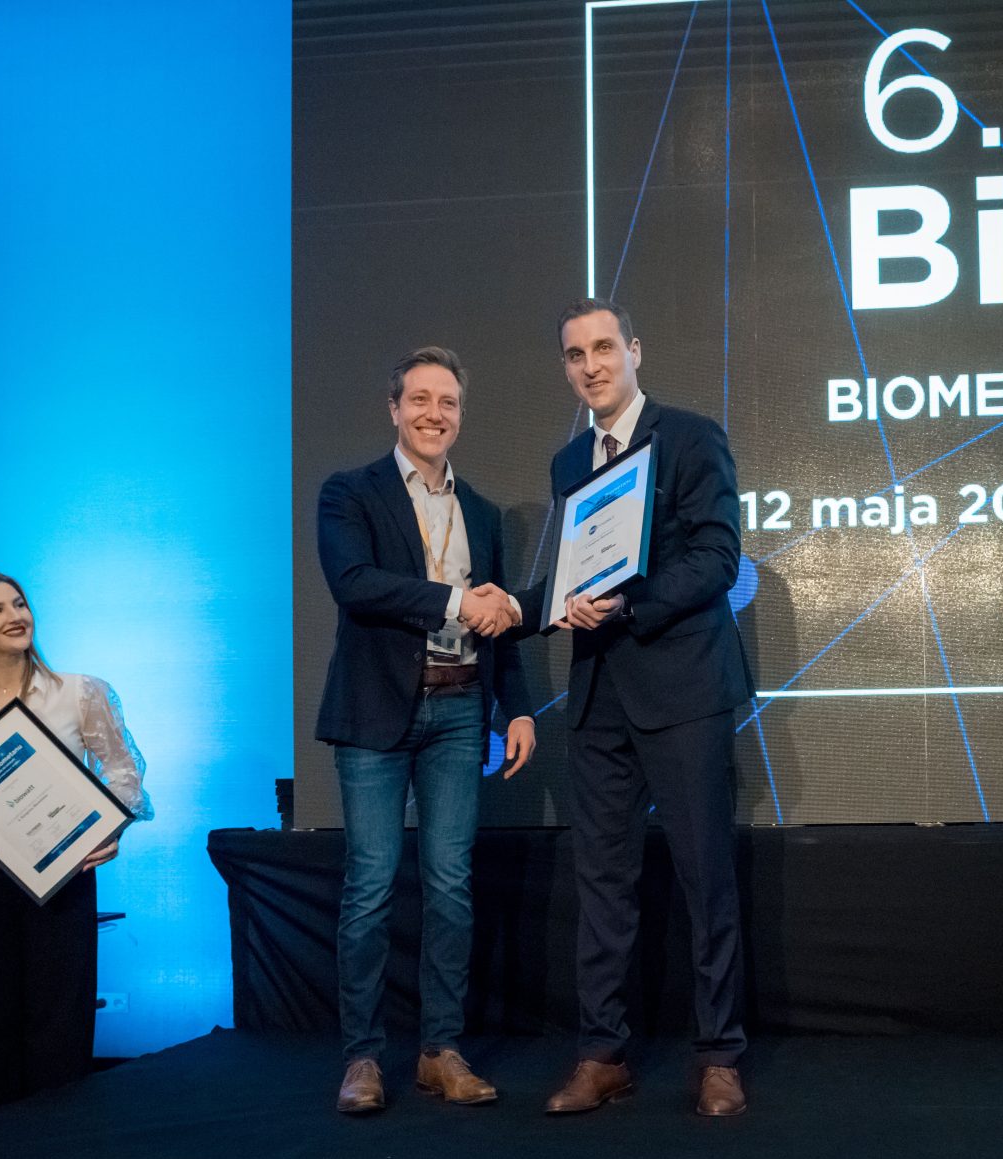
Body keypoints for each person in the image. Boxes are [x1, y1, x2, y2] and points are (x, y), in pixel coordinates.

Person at [518, 300, 753, 1117]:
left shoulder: (691, 436)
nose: (591, 365)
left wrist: (627, 602)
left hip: (684, 690)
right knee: (602, 886)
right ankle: (602, 1053)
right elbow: (573, 574)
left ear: (634, 351)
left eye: (603, 347)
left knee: (705, 878)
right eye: (575, 354)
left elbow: (718, 557)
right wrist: (527, 605)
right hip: (598, 699)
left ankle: (719, 1055)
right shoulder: (569, 461)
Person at [316, 345, 536, 1114]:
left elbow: (498, 618)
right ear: (394, 408)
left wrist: (516, 707)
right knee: (371, 886)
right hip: (376, 711)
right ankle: (362, 1057)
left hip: (459, 712)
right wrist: (454, 600)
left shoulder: (481, 511)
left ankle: (440, 1049)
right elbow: (355, 583)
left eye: (447, 401)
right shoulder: (349, 492)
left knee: (450, 885)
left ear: (460, 415)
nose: (433, 413)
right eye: (419, 399)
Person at [0, 567, 153, 1117]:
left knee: (60, 1020)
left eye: (19, 604)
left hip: (61, 873)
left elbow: (124, 774)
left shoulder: (80, 693)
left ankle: (56, 1149)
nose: (16, 616)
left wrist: (109, 827)